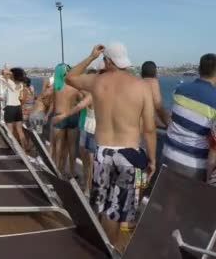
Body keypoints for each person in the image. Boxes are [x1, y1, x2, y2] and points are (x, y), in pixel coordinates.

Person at [65, 43, 157, 245]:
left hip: (103, 153)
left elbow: (69, 77)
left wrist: (90, 57)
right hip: (129, 155)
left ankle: (99, 247)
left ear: (107, 61)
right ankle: (110, 249)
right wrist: (152, 159)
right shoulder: (141, 86)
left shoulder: (97, 81)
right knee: (115, 213)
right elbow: (149, 129)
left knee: (101, 208)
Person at [163, 53, 216, 182]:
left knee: (165, 200)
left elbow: (173, 117)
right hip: (194, 164)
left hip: (168, 155)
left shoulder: (180, 89)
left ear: (199, 70)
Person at [51, 63, 81, 177]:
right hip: (72, 116)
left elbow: (54, 103)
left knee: (59, 145)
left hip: (59, 116)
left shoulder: (56, 87)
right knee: (72, 146)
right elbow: (80, 99)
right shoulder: (74, 87)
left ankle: (58, 170)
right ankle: (72, 171)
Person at [141, 61, 171, 127]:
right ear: (155, 72)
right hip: (147, 126)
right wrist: (168, 124)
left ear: (142, 72)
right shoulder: (153, 82)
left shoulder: (139, 82)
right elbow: (158, 106)